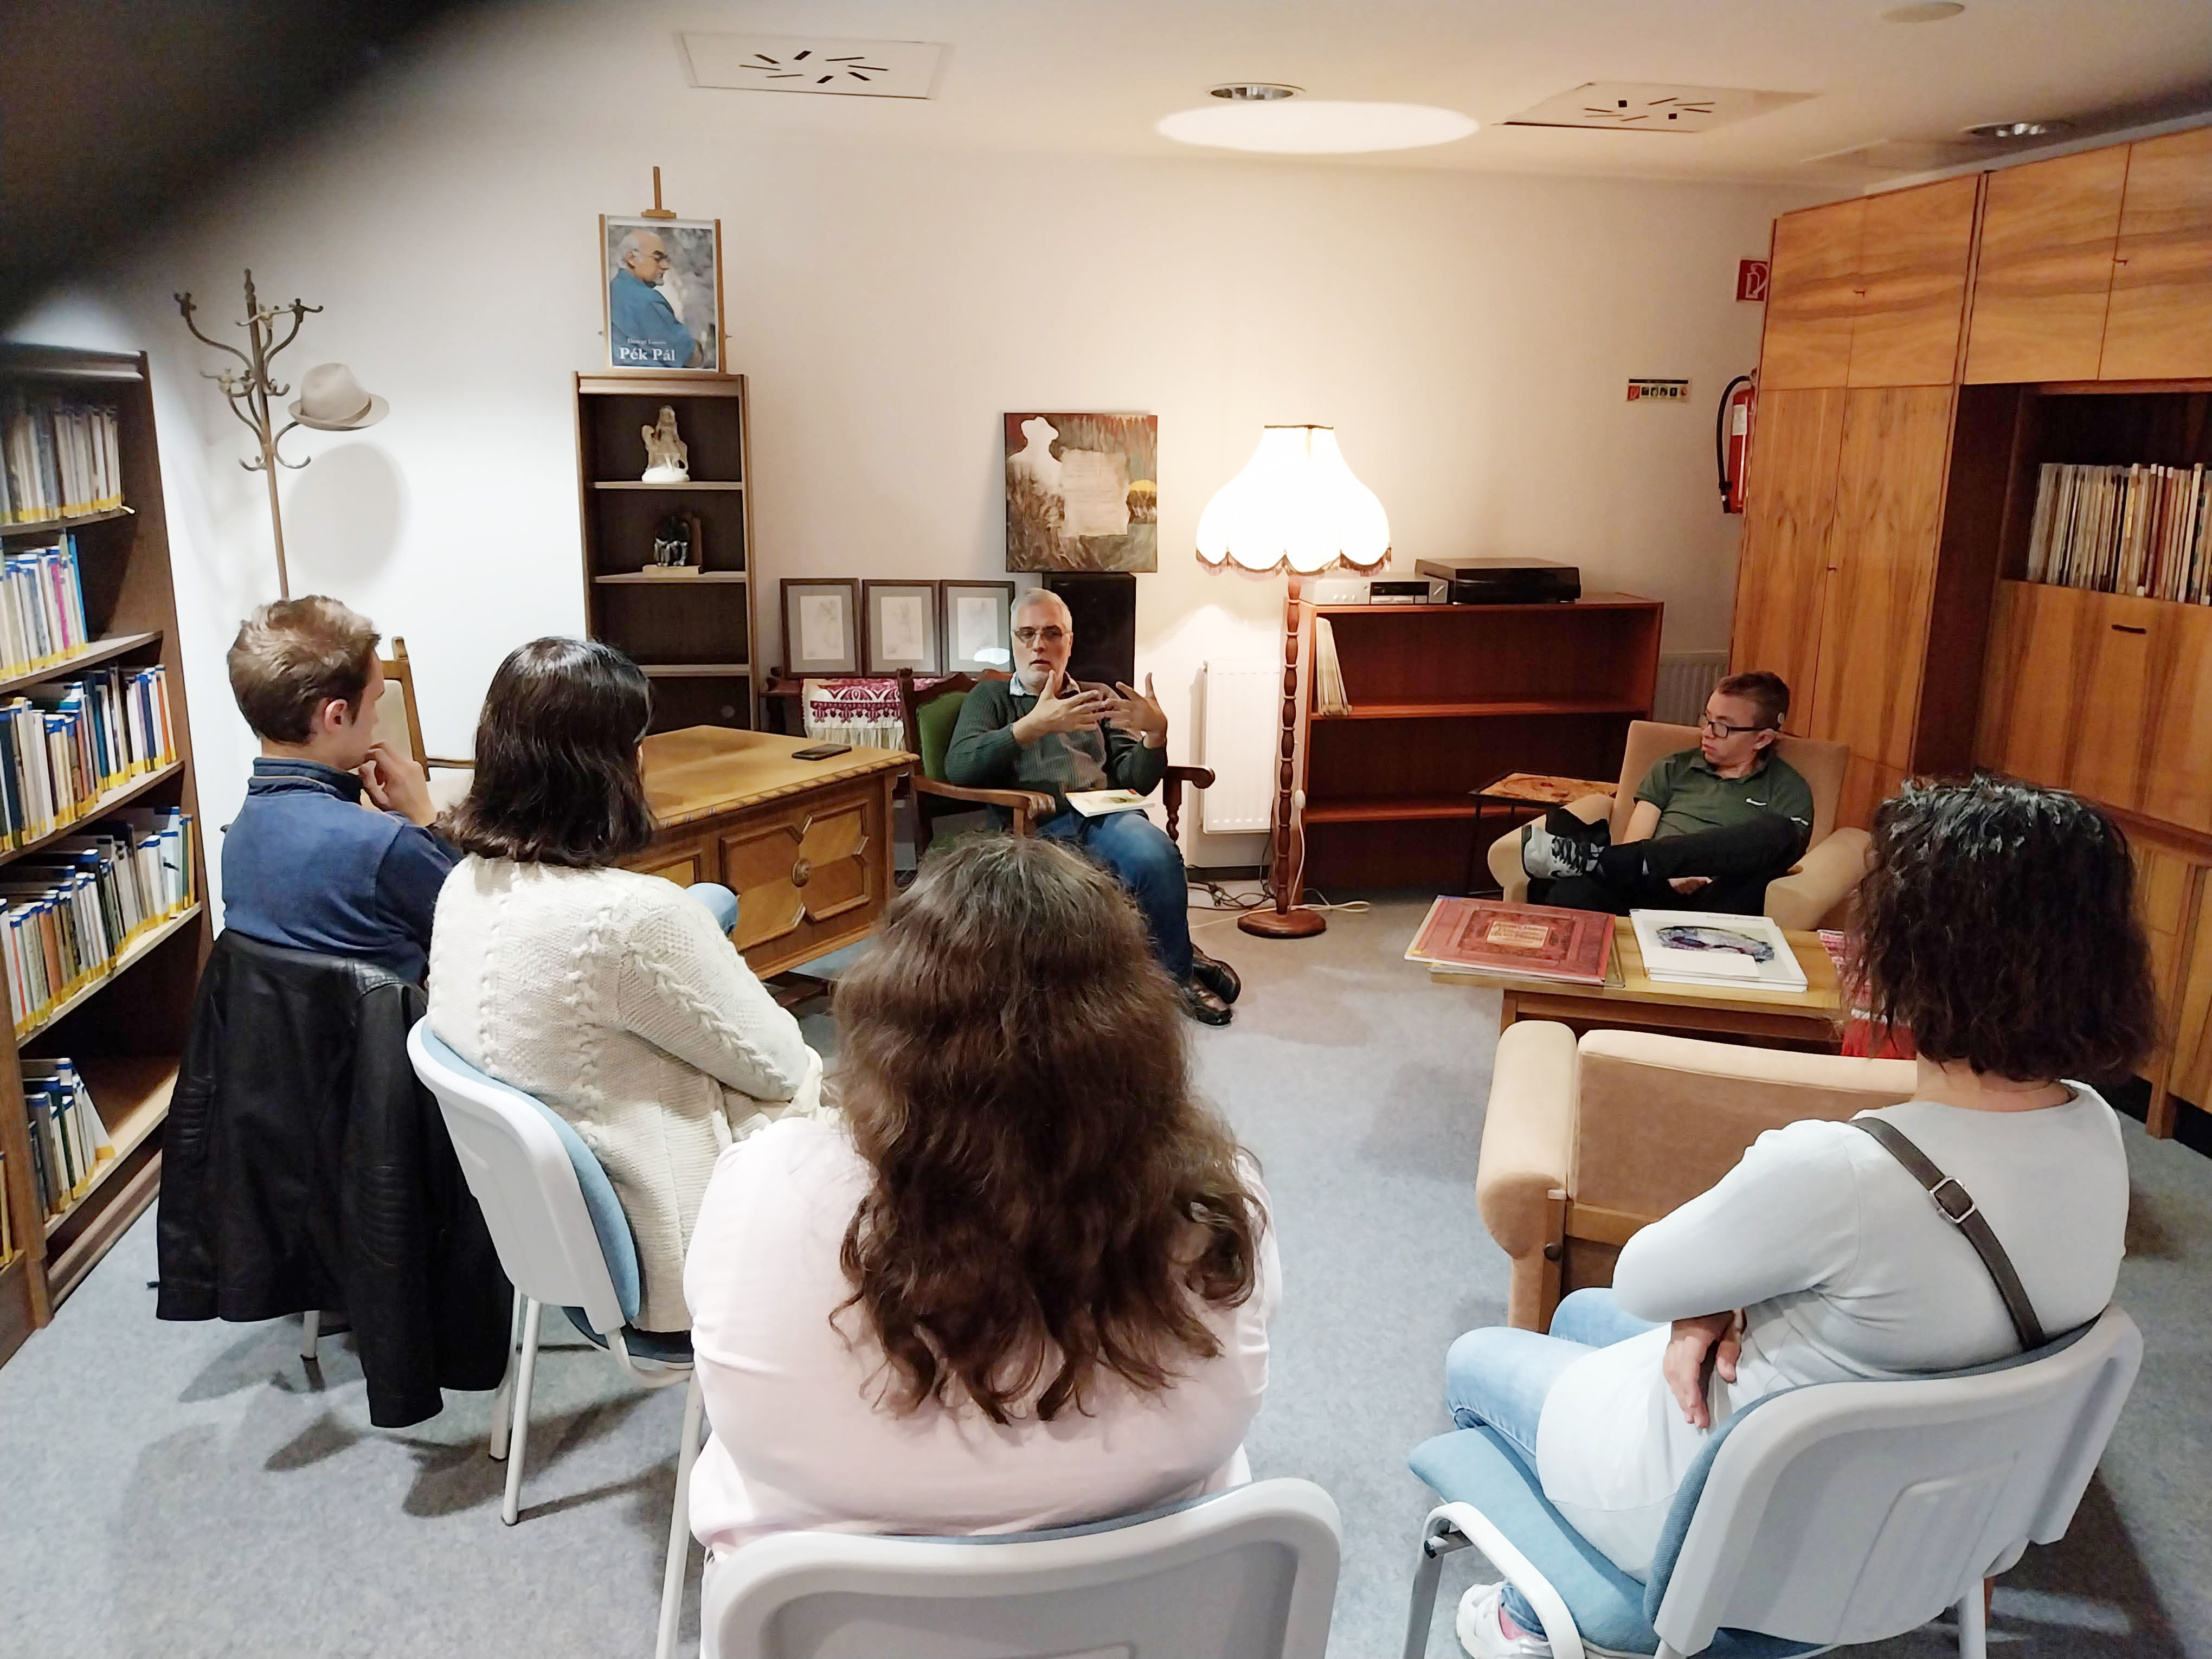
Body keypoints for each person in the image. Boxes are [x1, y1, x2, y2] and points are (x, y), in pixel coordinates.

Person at [1442, 773, 2155, 1659]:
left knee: (1477, 1357)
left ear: (1911, 955)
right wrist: (1721, 1301)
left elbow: (1647, 1278)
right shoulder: (2097, 1131)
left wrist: (1713, 1301)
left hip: (1729, 1541)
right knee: (1584, 1316)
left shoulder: (1842, 1170)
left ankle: (1532, 1616)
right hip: (1929, 1527)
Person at [683, 835, 1278, 1559]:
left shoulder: (762, 1185)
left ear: (885, 1018)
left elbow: (724, 1368)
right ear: (1140, 1030)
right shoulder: (1216, 1207)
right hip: (1141, 1608)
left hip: (826, 1608)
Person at [427, 638, 822, 1333]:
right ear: (612, 767)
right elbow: (783, 1064)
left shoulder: (462, 886)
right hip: (681, 1259)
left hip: (555, 1242)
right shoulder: (632, 921)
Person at [941, 587, 1241, 1024]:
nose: (1039, 645)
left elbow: (1134, 777)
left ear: (1069, 643)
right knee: (1069, 886)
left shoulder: (1095, 696)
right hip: (1034, 827)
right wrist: (1030, 727)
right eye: (1027, 634)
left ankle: (1177, 977)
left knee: (1154, 855)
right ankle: (1180, 957)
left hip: (1106, 816)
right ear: (1014, 641)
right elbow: (960, 767)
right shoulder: (991, 699)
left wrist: (1156, 737)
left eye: (1051, 633)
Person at [220, 595, 455, 985]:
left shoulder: (236, 839)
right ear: (337, 716)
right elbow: (487, 929)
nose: (376, 718)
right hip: (402, 1025)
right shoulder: (386, 847)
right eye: (375, 701)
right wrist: (426, 817)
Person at [1519, 671, 1815, 917]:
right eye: (1707, 719)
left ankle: (1597, 859)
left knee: (1782, 832)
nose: (1707, 732)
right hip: (1654, 887)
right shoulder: (1674, 767)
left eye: (1723, 727)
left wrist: (1701, 870)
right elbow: (1634, 845)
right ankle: (1600, 864)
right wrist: (1668, 874)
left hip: (1722, 897)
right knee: (1571, 891)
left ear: (1762, 739)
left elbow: (1780, 855)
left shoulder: (1788, 788)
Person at [608, 228, 703, 370]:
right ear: (631, 258)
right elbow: (692, 357)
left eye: (666, 259)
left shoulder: (614, 289)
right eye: (658, 258)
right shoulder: (646, 300)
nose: (666, 266)